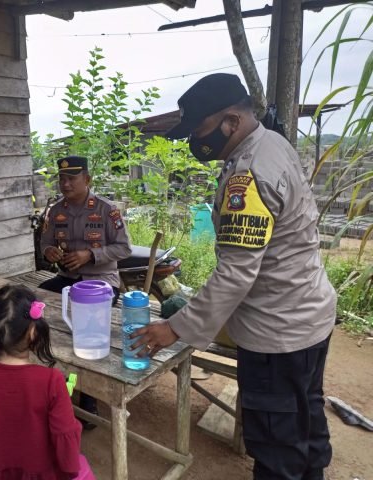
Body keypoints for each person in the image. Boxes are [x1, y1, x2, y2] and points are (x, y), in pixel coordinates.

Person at [131, 73, 337, 480]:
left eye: (200, 130)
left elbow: (237, 272)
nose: (194, 142)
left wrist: (175, 328)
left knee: (277, 446)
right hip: (308, 316)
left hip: (277, 331)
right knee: (305, 423)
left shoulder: (250, 174)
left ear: (231, 121)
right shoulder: (272, 144)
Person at [0, 285, 92, 480]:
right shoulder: (52, 380)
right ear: (33, 332)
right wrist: (69, 468)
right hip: (41, 472)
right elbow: (64, 432)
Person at [39, 155, 132, 429]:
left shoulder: (107, 210)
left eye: (72, 179)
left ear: (87, 180)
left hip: (101, 282)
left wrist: (89, 255)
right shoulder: (55, 212)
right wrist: (49, 251)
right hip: (67, 279)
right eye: (62, 179)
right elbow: (45, 242)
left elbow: (124, 248)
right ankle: (49, 379)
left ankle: (88, 399)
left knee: (87, 328)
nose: (65, 184)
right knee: (35, 307)